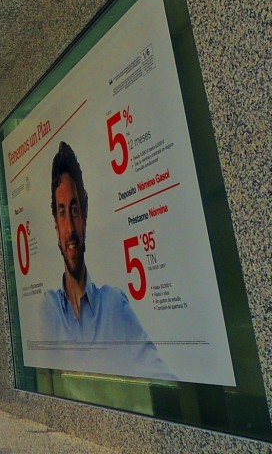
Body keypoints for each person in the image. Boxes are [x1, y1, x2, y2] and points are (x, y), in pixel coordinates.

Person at [38, 141, 176, 380]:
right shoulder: (47, 310)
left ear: (84, 217)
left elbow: (163, 379)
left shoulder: (114, 305)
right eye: (62, 213)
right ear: (56, 227)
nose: (69, 228)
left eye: (74, 210)